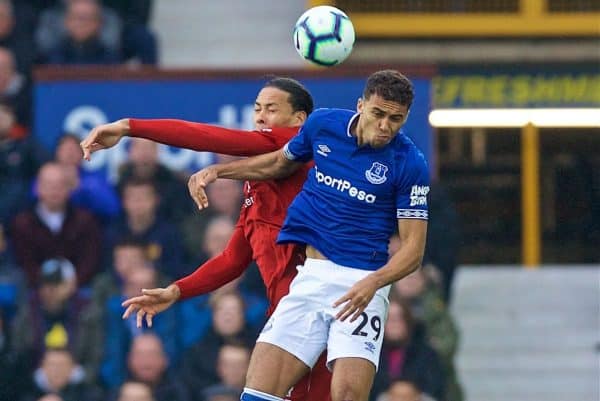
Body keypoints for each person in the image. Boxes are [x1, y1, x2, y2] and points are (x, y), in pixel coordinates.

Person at [80, 76, 330, 401]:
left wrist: (130, 126)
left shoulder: (296, 143)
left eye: (271, 109)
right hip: (288, 310)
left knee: (261, 394)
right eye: (257, 109)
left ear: (299, 120)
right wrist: (176, 291)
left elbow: (209, 136)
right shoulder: (256, 186)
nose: (261, 117)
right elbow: (232, 259)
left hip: (313, 307)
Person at [184, 70, 429, 401]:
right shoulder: (323, 125)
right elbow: (277, 164)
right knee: (257, 391)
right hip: (310, 278)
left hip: (362, 285)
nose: (385, 126)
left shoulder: (410, 163)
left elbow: (413, 251)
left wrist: (373, 284)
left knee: (345, 396)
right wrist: (219, 171)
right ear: (361, 105)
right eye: (378, 114)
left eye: (396, 119)